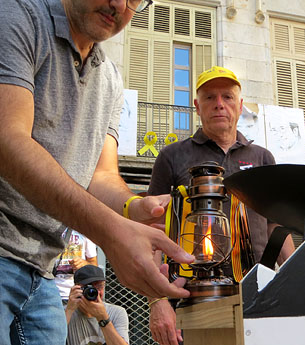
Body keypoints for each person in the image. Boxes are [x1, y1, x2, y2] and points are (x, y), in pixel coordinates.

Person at [0, 0, 194, 343]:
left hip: (43, 272)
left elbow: (101, 176)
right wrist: (113, 233)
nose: (119, 4)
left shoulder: (110, 78)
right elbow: (7, 142)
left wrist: (134, 208)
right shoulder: (16, 15)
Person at [147, 66, 296, 345]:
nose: (219, 104)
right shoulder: (171, 157)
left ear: (240, 106)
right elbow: (152, 230)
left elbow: (277, 225)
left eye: (227, 97)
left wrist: (296, 279)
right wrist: (157, 301)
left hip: (258, 294)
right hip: (192, 298)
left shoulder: (262, 158)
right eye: (209, 97)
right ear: (196, 107)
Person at [66, 265, 129, 345]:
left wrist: (102, 318)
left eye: (99, 287)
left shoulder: (117, 312)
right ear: (76, 288)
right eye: (88, 288)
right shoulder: (66, 313)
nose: (95, 292)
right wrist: (69, 310)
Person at [54, 229, 98, 303]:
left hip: (78, 293)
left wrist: (84, 264)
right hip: (50, 292)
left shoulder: (85, 230)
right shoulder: (48, 225)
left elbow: (95, 266)